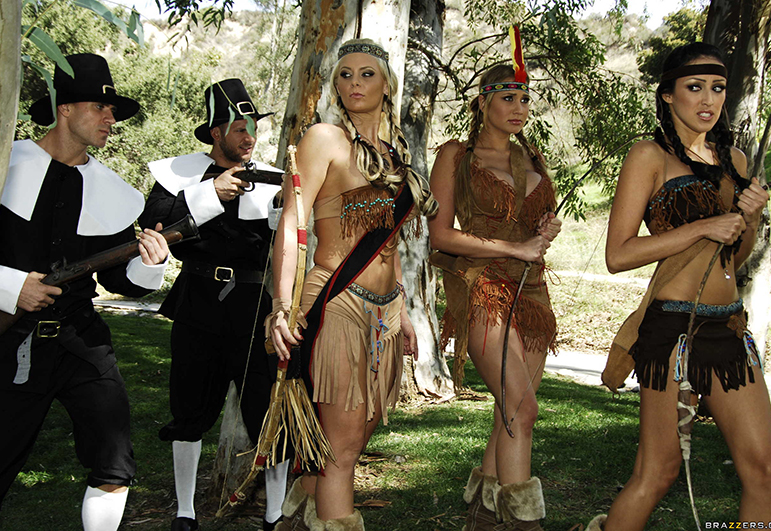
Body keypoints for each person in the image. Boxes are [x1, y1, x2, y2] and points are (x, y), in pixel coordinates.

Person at [585, 42, 771, 531]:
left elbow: (734, 257)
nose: (708, 100)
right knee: (657, 472)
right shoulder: (648, 155)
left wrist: (750, 218)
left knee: (764, 473)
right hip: (673, 332)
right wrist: (701, 227)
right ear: (668, 95)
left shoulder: (734, 159)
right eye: (695, 87)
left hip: (729, 328)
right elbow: (618, 255)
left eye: (718, 88)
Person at [0, 53, 169, 531]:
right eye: (100, 107)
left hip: (80, 341)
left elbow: (119, 281)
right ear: (64, 108)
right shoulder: (2, 165)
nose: (111, 119)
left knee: (114, 461)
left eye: (112, 111)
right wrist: (10, 287)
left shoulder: (113, 190)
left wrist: (151, 263)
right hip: (8, 342)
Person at [267, 39, 437, 531]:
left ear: (387, 85)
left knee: (347, 445)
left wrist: (404, 311)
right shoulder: (324, 138)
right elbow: (292, 222)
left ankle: (296, 520)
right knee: (341, 452)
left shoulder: (395, 154)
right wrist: (282, 303)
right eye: (345, 74)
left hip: (386, 311)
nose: (355, 83)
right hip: (337, 301)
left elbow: (391, 244)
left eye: (367, 74)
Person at [138, 78, 288, 531]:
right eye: (239, 128)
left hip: (254, 309)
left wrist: (283, 209)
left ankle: (275, 515)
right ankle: (185, 512)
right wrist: (209, 194)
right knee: (189, 409)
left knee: (267, 411)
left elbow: (289, 237)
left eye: (253, 127)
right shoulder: (178, 176)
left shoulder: (272, 178)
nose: (249, 136)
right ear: (216, 132)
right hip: (197, 304)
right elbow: (153, 226)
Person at [428, 57, 562, 530]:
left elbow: (532, 229)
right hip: (482, 286)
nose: (519, 107)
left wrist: (544, 231)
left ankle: (483, 517)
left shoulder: (532, 158)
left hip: (533, 291)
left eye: (525, 98)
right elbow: (440, 235)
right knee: (522, 410)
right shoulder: (456, 156)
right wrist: (515, 247)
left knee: (510, 411)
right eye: (508, 97)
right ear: (483, 103)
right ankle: (524, 522)